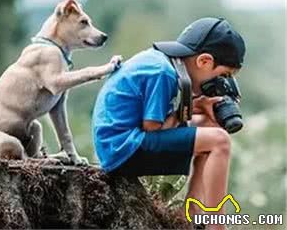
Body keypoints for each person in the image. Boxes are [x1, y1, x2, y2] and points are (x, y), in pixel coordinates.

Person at [92, 17, 245, 230]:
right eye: (224, 75)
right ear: (204, 61)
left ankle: (192, 211)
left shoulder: (163, 62)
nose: (223, 83)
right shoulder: (162, 72)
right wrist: (194, 108)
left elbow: (161, 122)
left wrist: (199, 106)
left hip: (123, 142)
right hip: (122, 148)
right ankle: (216, 225)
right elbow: (153, 127)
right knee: (220, 141)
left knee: (211, 128)